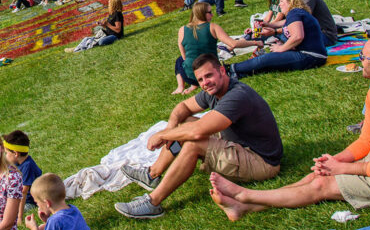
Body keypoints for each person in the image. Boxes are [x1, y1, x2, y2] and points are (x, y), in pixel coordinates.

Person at [209, 38, 370, 220]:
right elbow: (367, 139)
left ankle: (244, 195)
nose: (359, 59)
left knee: (323, 185)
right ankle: (245, 206)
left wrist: (342, 168)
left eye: (362, 56)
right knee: (320, 174)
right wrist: (335, 160)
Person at [115, 54, 282, 219]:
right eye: (200, 79)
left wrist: (163, 134)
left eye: (209, 75)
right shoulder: (213, 91)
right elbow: (183, 107)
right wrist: (171, 126)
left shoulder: (237, 95)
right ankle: (152, 174)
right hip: (239, 145)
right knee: (184, 123)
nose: (205, 82)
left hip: (261, 162)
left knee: (193, 142)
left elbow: (198, 131)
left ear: (222, 71)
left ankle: (153, 203)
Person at [229, 0, 327, 78]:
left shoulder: (294, 13)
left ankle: (231, 69)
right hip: (313, 55)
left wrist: (281, 48)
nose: (279, 5)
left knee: (264, 59)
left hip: (311, 56)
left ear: (290, 2)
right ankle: (240, 73)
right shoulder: (297, 13)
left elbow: (298, 37)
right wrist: (268, 24)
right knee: (270, 63)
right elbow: (283, 24)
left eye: (281, 2)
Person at [172, 2, 265, 95]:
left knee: (179, 60)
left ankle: (181, 87)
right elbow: (233, 44)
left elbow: (184, 56)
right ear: (202, 13)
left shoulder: (182, 29)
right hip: (211, 75)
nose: (212, 15)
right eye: (210, 12)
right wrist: (255, 42)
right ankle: (192, 84)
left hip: (190, 76)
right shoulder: (212, 27)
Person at [3, 130, 41, 217]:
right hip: (14, 198)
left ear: (16, 154)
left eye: (6, 153)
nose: (5, 156)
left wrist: (20, 217)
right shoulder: (16, 163)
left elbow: (23, 193)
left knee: (7, 211)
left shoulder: (28, 166)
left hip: (28, 202)